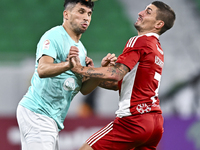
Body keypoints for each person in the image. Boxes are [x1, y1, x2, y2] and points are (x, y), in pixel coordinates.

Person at [69, 1, 176, 150]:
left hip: (133, 120)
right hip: (154, 124)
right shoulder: (157, 49)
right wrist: (95, 73)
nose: (141, 13)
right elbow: (117, 84)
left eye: (148, 12)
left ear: (158, 24)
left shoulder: (139, 41)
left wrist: (79, 69)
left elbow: (115, 74)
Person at [16, 0, 116, 150]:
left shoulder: (81, 50)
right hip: (37, 112)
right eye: (81, 12)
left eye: (89, 14)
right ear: (66, 14)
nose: (86, 18)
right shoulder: (54, 36)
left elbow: (84, 89)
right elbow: (42, 70)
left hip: (52, 119)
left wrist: (100, 71)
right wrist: (68, 65)